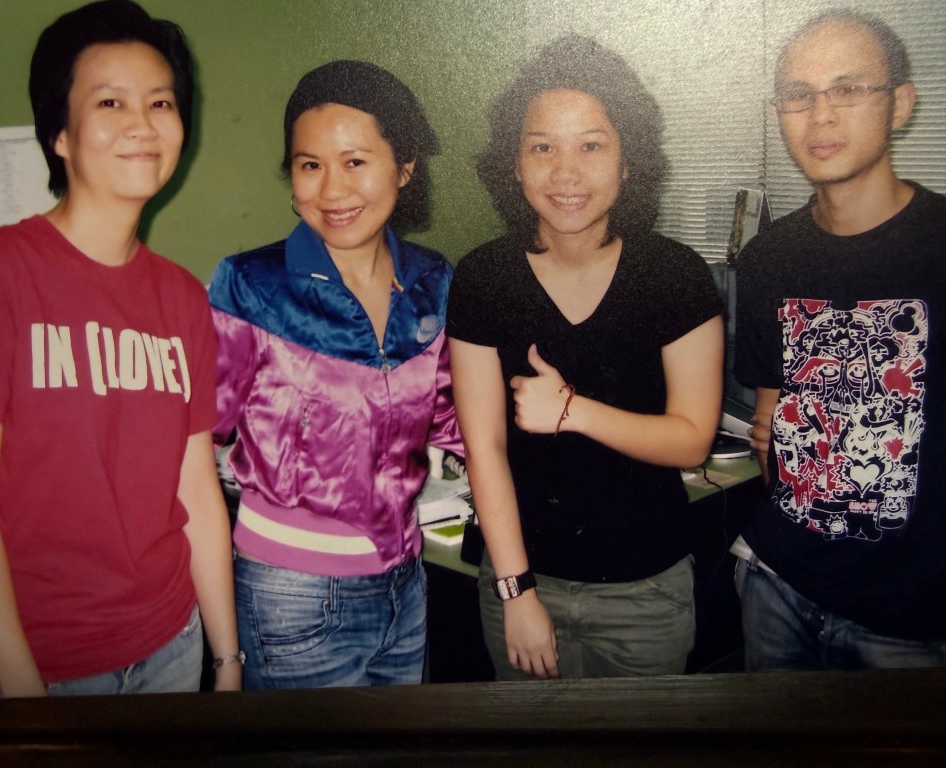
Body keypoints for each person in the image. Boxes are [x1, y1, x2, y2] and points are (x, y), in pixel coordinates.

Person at [0, 0, 240, 698]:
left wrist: (227, 659)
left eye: (161, 101)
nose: (141, 123)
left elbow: (197, 492)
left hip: (168, 647)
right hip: (28, 669)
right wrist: (28, 703)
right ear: (59, 135)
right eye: (109, 101)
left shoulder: (183, 297)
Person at [447, 36, 724, 680]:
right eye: (541, 146)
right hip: (521, 580)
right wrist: (517, 594)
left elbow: (690, 441)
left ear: (630, 162)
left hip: (645, 591)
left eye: (591, 145)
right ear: (513, 164)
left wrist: (570, 410)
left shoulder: (674, 276)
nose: (564, 173)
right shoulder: (485, 277)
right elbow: (483, 445)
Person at [209, 60, 462, 689]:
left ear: (404, 167)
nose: (330, 189)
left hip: (408, 582)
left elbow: (459, 420)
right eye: (309, 164)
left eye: (355, 162)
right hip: (289, 596)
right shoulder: (252, 285)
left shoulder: (433, 282)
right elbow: (195, 437)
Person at [733, 10, 946, 671]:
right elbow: (770, 420)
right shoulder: (769, 256)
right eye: (799, 95)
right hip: (779, 586)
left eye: (848, 89)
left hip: (911, 619)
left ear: (900, 104)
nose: (821, 115)